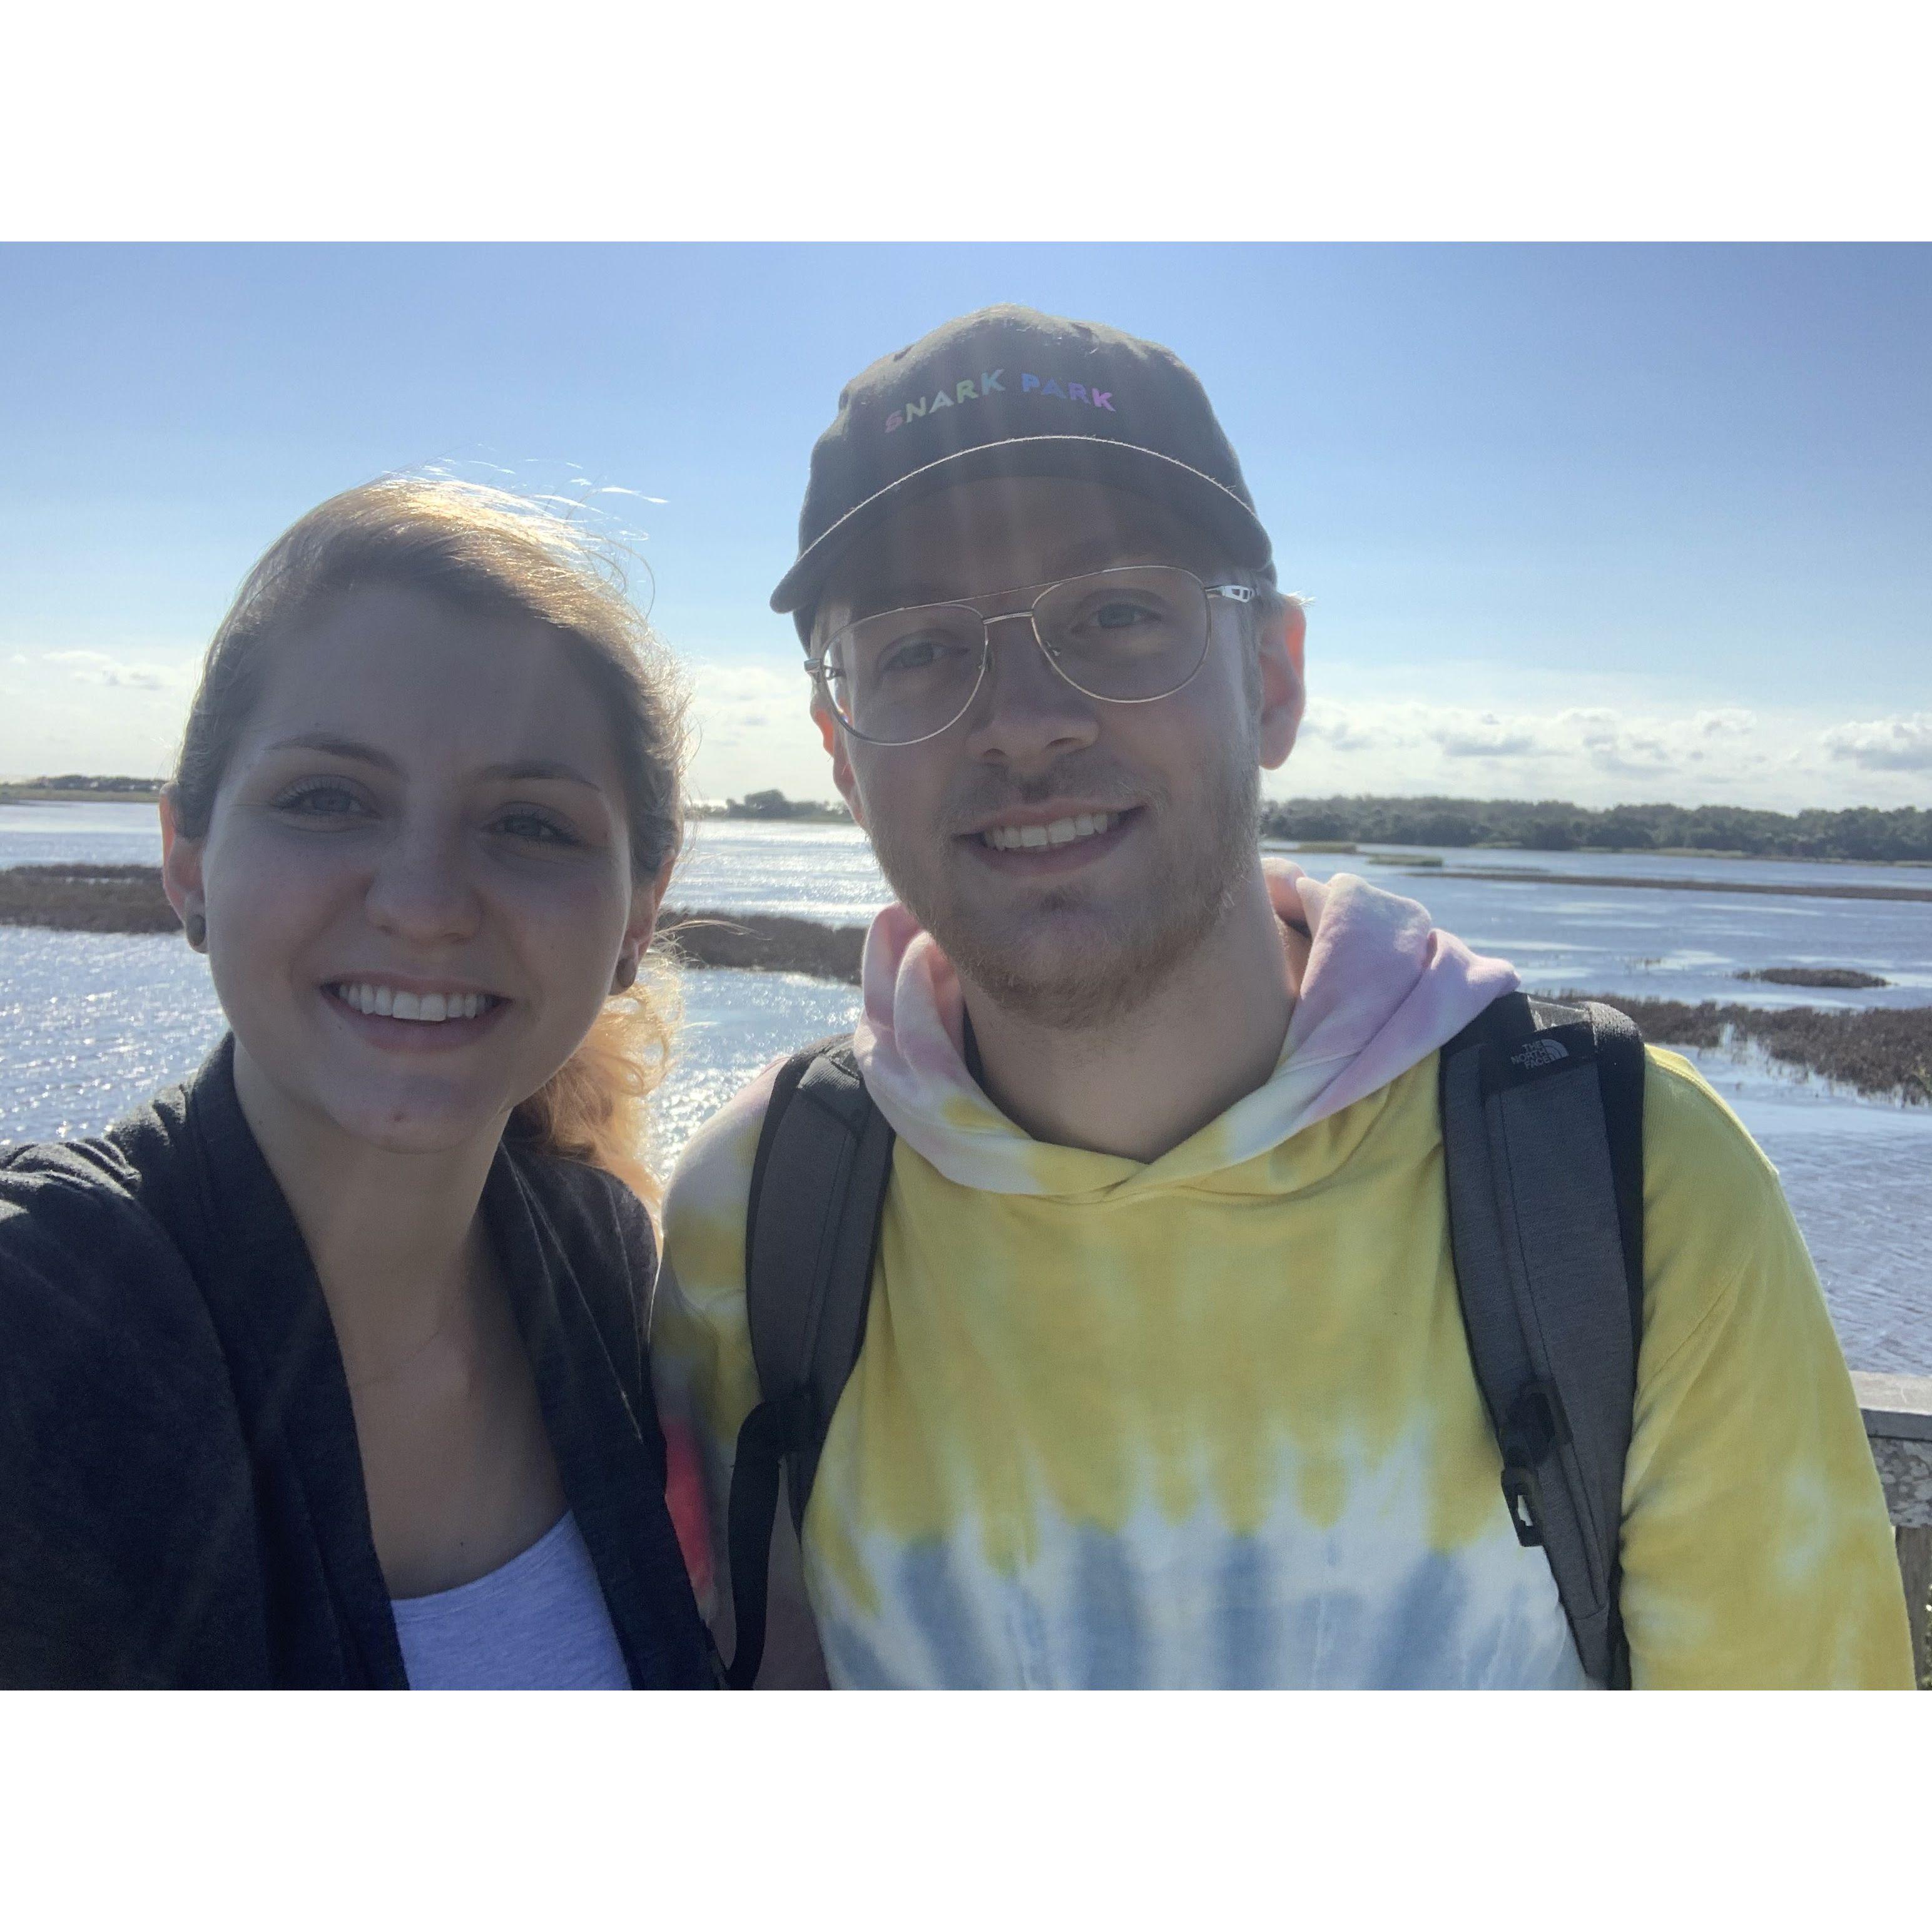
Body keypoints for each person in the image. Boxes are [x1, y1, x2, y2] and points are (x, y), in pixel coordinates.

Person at [651, 303, 1913, 1689]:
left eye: (1116, 613)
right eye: (915, 649)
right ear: (839, 750)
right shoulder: (758, 1215)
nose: (1020, 715)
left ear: (1270, 678)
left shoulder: (1631, 1187)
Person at [0, 479, 716, 1689]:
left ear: (638, 913)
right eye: (328, 800)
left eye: (532, 824)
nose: (425, 904)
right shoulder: (41, 1321)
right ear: (187, 859)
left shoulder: (609, 1272)